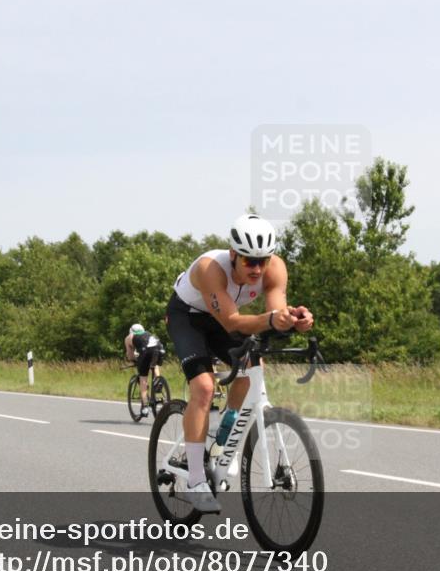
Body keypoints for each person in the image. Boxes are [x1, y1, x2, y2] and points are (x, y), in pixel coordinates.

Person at [166, 214, 314, 512]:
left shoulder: (275, 269)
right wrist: (272, 319)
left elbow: (274, 314)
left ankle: (223, 436)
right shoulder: (211, 269)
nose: (257, 269)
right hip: (189, 318)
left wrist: (293, 320)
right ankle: (195, 479)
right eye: (249, 261)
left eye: (263, 260)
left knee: (249, 373)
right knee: (204, 388)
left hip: (226, 319)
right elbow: (232, 322)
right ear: (233, 254)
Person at [124, 323, 165, 417]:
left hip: (146, 351)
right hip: (159, 348)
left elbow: (130, 355)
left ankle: (145, 407)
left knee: (143, 379)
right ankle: (158, 382)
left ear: (131, 331)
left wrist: (136, 360)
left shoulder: (129, 337)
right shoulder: (148, 334)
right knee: (154, 365)